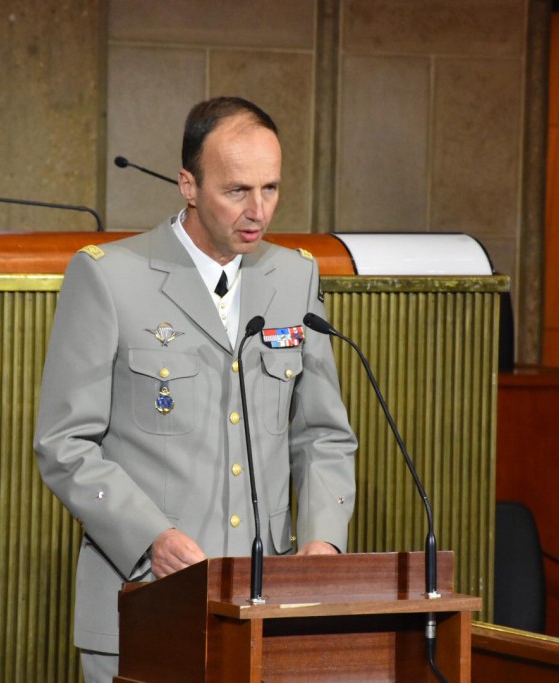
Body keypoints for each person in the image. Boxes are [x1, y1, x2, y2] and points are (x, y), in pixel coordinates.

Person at [33, 96, 356, 683]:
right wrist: (149, 536)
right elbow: (65, 443)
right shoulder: (109, 275)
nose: (258, 211)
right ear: (188, 184)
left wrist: (322, 544)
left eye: (271, 188)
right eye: (237, 191)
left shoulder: (295, 275)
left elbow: (323, 435)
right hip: (146, 603)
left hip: (267, 610)